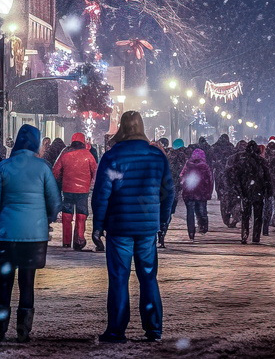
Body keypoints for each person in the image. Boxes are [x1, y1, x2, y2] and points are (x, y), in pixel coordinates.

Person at [92, 111, 175, 343]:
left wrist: (98, 226)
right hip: (147, 225)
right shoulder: (157, 157)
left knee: (119, 278)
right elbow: (168, 191)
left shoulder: (112, 157)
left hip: (119, 225)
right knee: (148, 276)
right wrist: (162, 220)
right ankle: (154, 328)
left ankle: (117, 329)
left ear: (122, 128)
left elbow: (102, 195)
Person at [0, 124, 62, 343]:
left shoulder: (3, 167)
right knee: (27, 282)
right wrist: (45, 217)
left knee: (4, 281)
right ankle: (23, 330)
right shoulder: (43, 168)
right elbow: (55, 203)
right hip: (34, 235)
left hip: (7, 234)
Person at [52, 133, 98, 250]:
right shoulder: (88, 155)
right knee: (81, 214)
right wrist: (92, 184)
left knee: (67, 214)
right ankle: (79, 239)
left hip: (67, 189)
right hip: (83, 190)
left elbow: (55, 171)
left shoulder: (65, 155)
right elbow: (95, 172)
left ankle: (66, 241)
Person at [228, 141, 273, 245]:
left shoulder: (242, 162)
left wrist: (238, 190)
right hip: (258, 192)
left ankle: (245, 234)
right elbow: (267, 178)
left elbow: (236, 177)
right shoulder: (262, 162)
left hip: (246, 192)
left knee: (246, 215)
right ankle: (256, 236)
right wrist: (268, 191)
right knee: (258, 215)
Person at [180, 149, 214, 241]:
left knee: (190, 213)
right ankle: (203, 227)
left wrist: (184, 185)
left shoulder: (188, 165)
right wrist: (209, 192)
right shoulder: (205, 166)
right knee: (202, 210)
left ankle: (191, 233)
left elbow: (181, 176)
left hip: (189, 192)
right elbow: (210, 180)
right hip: (201, 192)